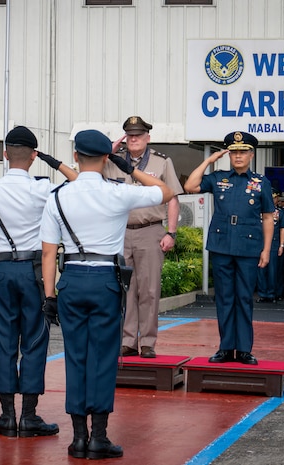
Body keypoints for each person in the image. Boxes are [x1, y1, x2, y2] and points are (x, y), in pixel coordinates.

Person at [40, 129, 173, 459]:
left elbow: (47, 253)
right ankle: (98, 437)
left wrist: (49, 296)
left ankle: (77, 438)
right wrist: (128, 168)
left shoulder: (57, 196)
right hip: (105, 282)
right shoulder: (119, 192)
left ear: (75, 157)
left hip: (70, 280)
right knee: (102, 360)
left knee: (75, 358)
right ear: (106, 158)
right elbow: (166, 192)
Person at [0, 125, 77, 438]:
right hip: (35, 271)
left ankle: (7, 417)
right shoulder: (44, 188)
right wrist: (54, 162)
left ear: (5, 155)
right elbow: (78, 181)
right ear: (33, 156)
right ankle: (29, 417)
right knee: (34, 340)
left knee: (5, 340)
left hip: (2, 271)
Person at [184, 131, 274, 366]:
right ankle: (226, 347)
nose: (238, 156)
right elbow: (190, 185)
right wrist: (208, 161)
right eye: (233, 152)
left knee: (243, 298)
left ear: (251, 155)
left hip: (248, 246)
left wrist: (266, 250)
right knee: (224, 298)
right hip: (222, 245)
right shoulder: (218, 178)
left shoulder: (261, 183)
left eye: (243, 152)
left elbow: (267, 218)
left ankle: (244, 349)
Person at [103, 116, 183, 358]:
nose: (134, 138)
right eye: (130, 134)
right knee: (125, 289)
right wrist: (109, 151)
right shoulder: (113, 162)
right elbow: (90, 174)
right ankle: (128, 341)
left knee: (148, 290)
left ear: (148, 138)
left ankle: (147, 341)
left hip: (150, 231)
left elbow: (173, 198)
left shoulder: (161, 162)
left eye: (138, 134)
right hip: (121, 232)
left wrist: (171, 232)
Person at [256, 188, 284, 303]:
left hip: (274, 244)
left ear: (277, 198)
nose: (272, 199)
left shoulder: (279, 212)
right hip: (260, 244)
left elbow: (283, 229)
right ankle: (262, 293)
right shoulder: (259, 209)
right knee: (261, 270)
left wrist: (282, 245)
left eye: (274, 197)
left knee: (273, 270)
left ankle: (272, 293)